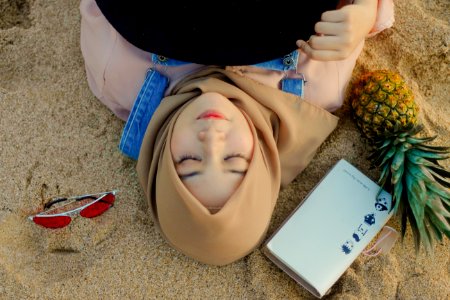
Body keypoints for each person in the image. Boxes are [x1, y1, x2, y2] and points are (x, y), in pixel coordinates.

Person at [79, 0, 394, 265]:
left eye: (188, 160)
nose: (212, 137)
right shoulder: (320, 86)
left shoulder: (116, 77)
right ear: (262, 159)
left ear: (159, 161)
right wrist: (365, 11)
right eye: (234, 158)